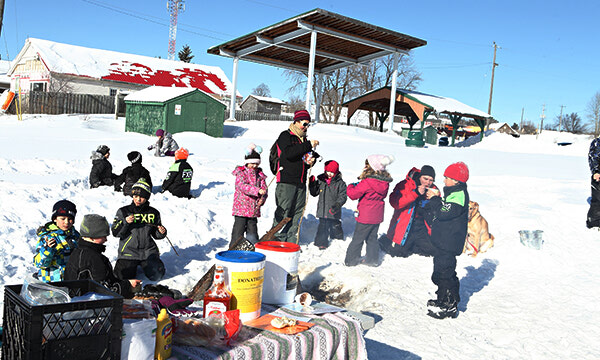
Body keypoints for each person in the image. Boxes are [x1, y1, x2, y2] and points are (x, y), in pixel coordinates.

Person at [423, 162, 470, 319]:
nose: (444, 181)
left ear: (456, 181)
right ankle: (442, 299)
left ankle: (449, 305)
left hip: (449, 243)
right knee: (441, 272)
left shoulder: (459, 195)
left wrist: (436, 200)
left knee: (445, 273)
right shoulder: (454, 193)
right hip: (444, 241)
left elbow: (444, 212)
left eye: (447, 178)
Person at [272, 109, 320, 243]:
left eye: (308, 125)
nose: (306, 127)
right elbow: (288, 154)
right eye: (304, 124)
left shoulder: (303, 140)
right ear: (296, 122)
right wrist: (308, 145)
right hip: (286, 181)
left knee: (297, 213)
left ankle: (291, 241)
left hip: (301, 182)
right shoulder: (286, 136)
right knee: (284, 212)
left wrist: (310, 161)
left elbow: (303, 158)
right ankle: (275, 241)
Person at [65, 214, 140, 298]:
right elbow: (105, 290)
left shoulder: (78, 252)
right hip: (89, 306)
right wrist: (128, 285)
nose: (106, 239)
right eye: (103, 236)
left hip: (79, 302)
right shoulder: (93, 258)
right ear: (93, 236)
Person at [112, 179, 168, 281]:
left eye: (141, 197)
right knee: (121, 278)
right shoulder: (124, 211)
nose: (138, 199)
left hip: (148, 252)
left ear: (147, 197)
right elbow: (115, 232)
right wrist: (125, 222)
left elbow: (156, 234)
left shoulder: (153, 212)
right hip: (129, 252)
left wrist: (161, 232)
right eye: (135, 196)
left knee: (157, 275)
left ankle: (145, 265)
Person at [344, 155, 394, 267]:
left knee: (358, 238)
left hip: (365, 216)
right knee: (372, 238)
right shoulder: (384, 182)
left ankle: (351, 260)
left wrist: (351, 186)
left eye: (367, 164)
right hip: (377, 216)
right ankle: (373, 260)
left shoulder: (368, 182)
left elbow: (353, 194)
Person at [381, 165, 438, 257]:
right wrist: (415, 193)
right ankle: (386, 240)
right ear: (420, 177)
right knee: (398, 252)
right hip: (405, 225)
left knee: (431, 250)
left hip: (421, 226)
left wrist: (434, 200)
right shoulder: (405, 185)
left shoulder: (434, 189)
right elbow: (396, 203)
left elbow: (438, 209)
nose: (428, 182)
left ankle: (413, 244)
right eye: (425, 179)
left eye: (431, 180)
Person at [33, 200, 80, 282]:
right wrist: (48, 249)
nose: (66, 222)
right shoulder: (47, 237)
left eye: (70, 219)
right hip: (51, 283)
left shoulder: (76, 236)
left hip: (71, 282)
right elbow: (39, 264)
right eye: (63, 219)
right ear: (55, 219)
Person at [231, 143, 268, 246]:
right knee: (238, 232)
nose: (254, 166)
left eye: (256, 164)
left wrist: (262, 198)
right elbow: (242, 186)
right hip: (241, 209)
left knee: (252, 233)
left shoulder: (260, 175)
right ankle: (233, 249)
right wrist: (257, 190)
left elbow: (264, 189)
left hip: (253, 210)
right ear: (247, 162)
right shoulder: (241, 173)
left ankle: (252, 249)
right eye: (252, 163)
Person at [308, 160, 347, 249]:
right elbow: (314, 193)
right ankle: (321, 243)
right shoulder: (321, 181)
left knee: (335, 225)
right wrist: (312, 184)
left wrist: (337, 204)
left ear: (336, 172)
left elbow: (343, 196)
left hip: (333, 210)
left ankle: (338, 240)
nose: (329, 174)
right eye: (327, 171)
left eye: (332, 172)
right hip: (323, 210)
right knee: (323, 227)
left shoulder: (340, 183)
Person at [587, 137, 600, 228]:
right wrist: (595, 171)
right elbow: (593, 157)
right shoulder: (597, 142)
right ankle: (594, 223)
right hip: (598, 176)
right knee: (598, 200)